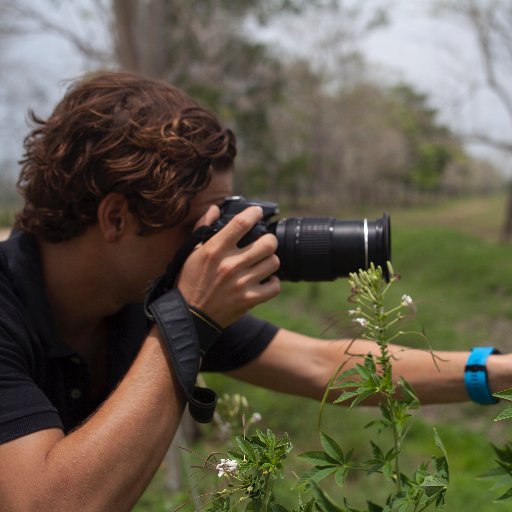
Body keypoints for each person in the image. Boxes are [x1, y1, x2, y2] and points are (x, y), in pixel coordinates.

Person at [0, 70, 510, 512]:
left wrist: (497, 374)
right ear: (116, 217)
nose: (226, 242)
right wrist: (190, 320)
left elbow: (319, 365)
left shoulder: (140, 296)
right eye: (208, 222)